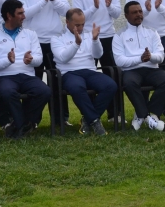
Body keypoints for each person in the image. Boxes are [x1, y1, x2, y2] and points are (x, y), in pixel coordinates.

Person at [0, 0, 51, 138]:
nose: (24, 16)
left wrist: (31, 60)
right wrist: (7, 61)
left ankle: (18, 126)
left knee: (44, 91)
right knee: (7, 92)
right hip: (5, 77)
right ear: (9, 15)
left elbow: (39, 58)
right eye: (20, 13)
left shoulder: (30, 34)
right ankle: (23, 125)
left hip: (27, 75)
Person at [13, 0, 70, 108]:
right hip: (33, 42)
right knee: (33, 80)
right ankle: (32, 120)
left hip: (55, 40)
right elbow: (23, 15)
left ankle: (60, 119)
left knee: (57, 79)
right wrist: (44, 0)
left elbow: (66, 11)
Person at [51, 8, 118, 136]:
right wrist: (76, 44)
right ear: (67, 22)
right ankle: (94, 121)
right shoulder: (57, 38)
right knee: (77, 87)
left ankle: (88, 119)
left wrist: (95, 40)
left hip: (89, 71)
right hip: (69, 73)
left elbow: (98, 54)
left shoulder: (88, 35)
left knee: (110, 85)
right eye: (77, 25)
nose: (81, 27)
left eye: (82, 24)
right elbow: (63, 57)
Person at [113, 1, 165, 132]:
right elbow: (119, 61)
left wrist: (150, 57)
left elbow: (161, 55)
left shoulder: (152, 32)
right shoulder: (119, 35)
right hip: (131, 71)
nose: (139, 15)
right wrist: (139, 59)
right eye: (134, 12)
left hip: (151, 68)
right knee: (129, 83)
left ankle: (150, 113)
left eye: (140, 11)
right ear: (126, 15)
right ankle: (145, 116)